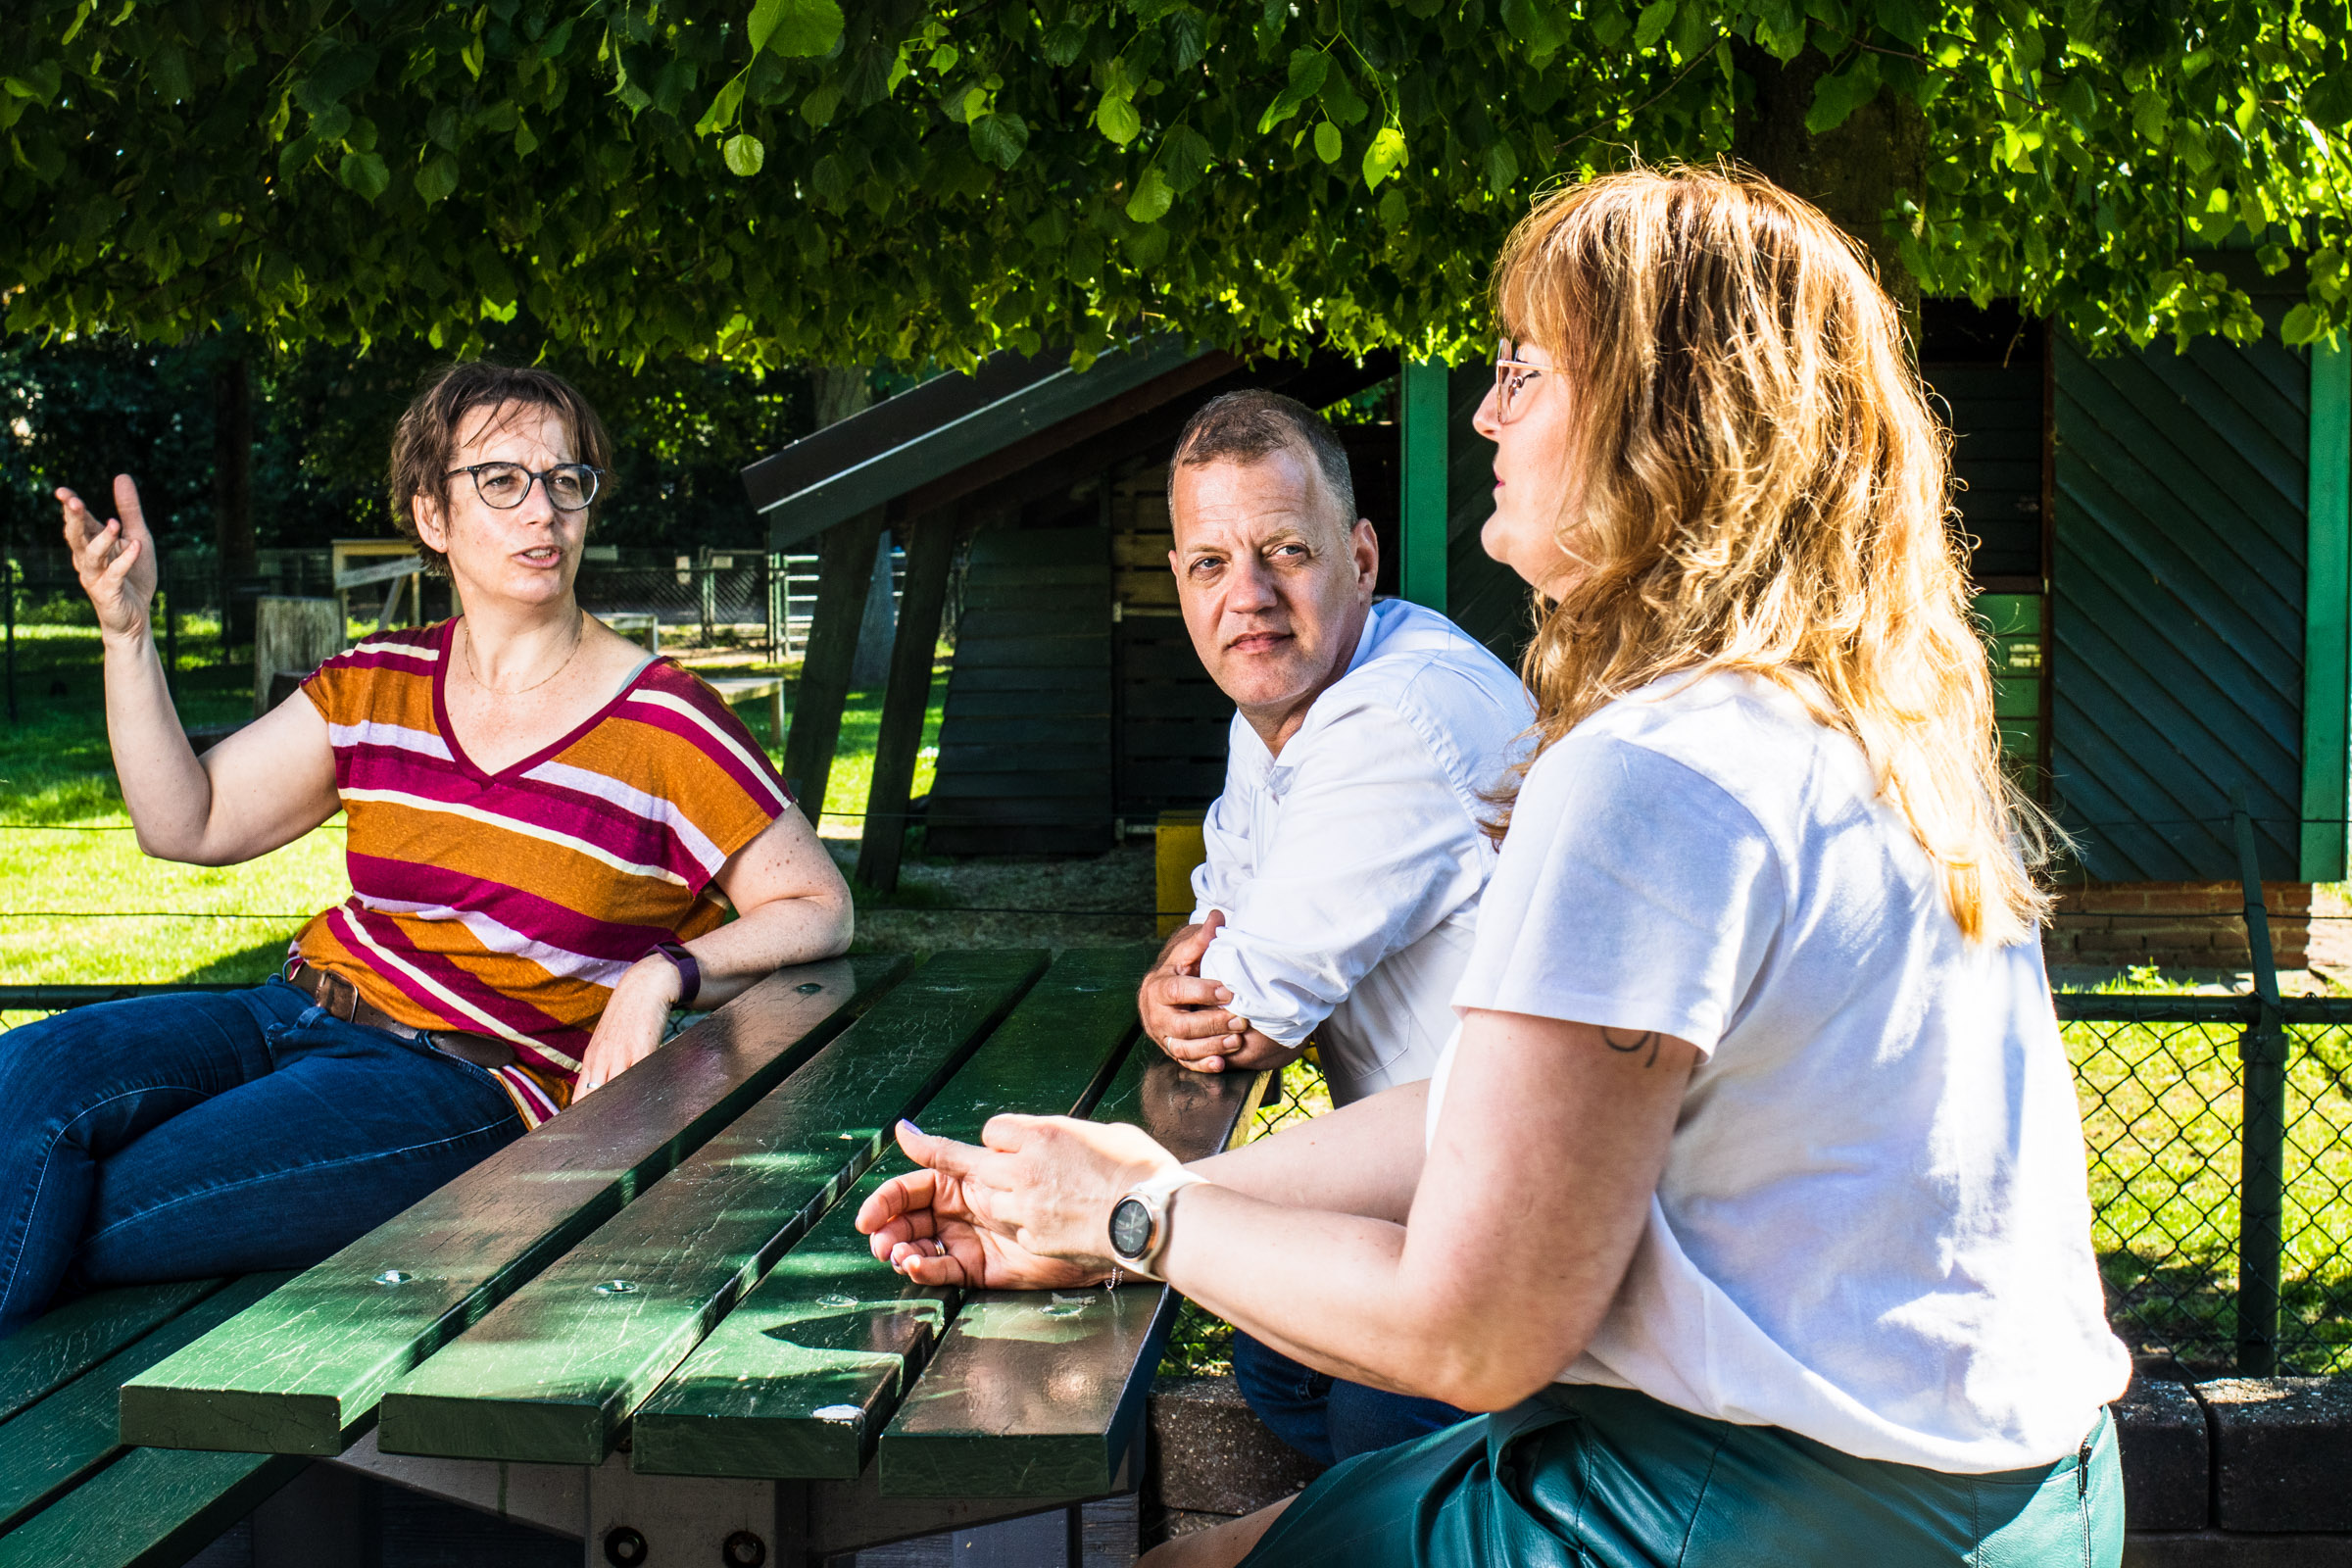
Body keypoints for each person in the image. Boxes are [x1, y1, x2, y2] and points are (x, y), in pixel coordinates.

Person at [858, 166, 2132, 1567]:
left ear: (1670, 419)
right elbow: (1484, 1114)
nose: (1485, 413)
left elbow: (1470, 1329)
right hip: (2014, 1488)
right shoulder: (1840, 723)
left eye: (1525, 372)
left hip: (1778, 1508)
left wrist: (1131, 1216)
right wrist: (1136, 1198)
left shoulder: (1650, 773)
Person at [1, 363, 853, 1338]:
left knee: (104, 1206)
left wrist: (664, 973)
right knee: (24, 1079)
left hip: (455, 1086)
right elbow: (184, 822)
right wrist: (127, 633)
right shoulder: (379, 684)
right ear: (431, 515)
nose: (544, 509)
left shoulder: (665, 720)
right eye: (502, 480)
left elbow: (819, 905)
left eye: (565, 480)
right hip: (288, 1009)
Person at [1137, 389, 1532, 1465]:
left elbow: (1241, 1018)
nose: (1249, 597)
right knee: (1275, 1356)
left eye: (1284, 552)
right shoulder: (1273, 706)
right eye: (1211, 564)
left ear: (1360, 556)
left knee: (1352, 1414)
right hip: (1419, 1193)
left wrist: (1186, 981)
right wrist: (1171, 976)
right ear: (1180, 582)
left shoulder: (1390, 715)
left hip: (1511, 1236)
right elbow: (1217, 923)